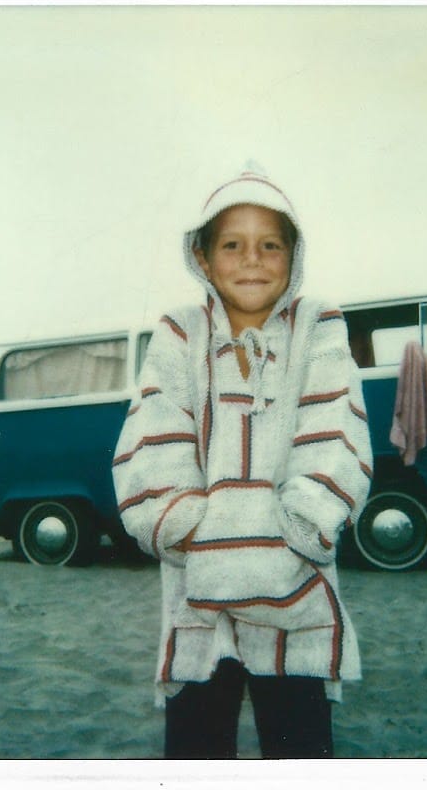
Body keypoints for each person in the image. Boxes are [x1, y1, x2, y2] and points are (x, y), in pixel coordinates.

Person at [112, 161, 373, 758]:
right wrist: (186, 528)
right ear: (202, 258)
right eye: (232, 245)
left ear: (293, 255)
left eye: (270, 245)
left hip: (296, 586)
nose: (252, 260)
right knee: (198, 746)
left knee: (299, 745)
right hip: (195, 592)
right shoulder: (179, 334)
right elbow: (154, 442)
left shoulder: (319, 327)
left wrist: (297, 529)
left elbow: (335, 434)